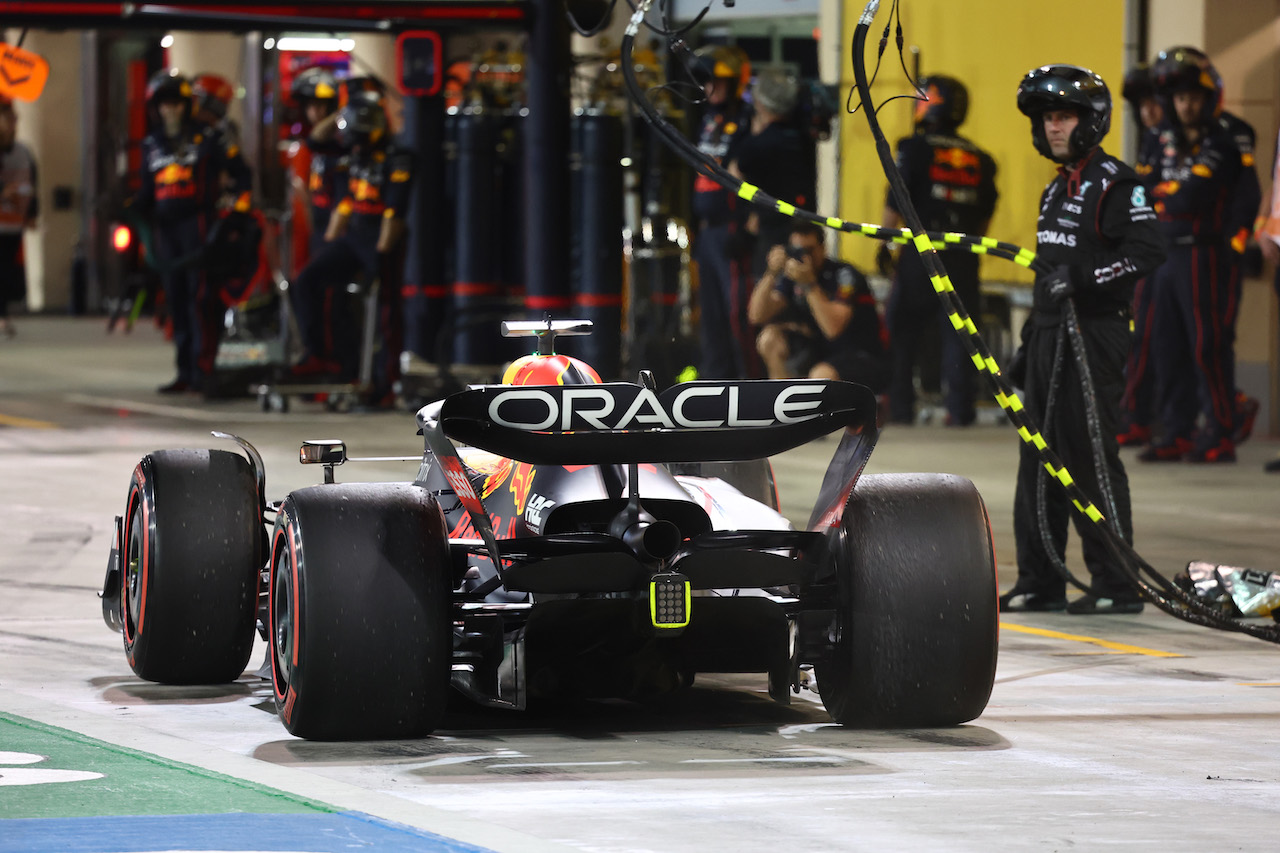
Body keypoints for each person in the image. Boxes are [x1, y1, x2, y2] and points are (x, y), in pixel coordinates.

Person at [1000, 65, 1166, 615]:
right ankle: (1039, 581)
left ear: (1090, 121)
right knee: (1038, 458)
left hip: (1095, 333)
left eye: (1064, 116)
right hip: (1049, 335)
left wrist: (1085, 280)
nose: (1053, 128)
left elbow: (1147, 253)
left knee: (1088, 455)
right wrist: (1027, 348)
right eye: (1048, 118)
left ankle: (1118, 584)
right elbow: (1047, 271)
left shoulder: (1118, 183)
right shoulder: (1055, 186)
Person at [1138, 47, 1260, 463]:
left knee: (1208, 346)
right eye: (1179, 97)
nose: (1185, 105)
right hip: (1163, 254)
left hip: (1207, 258)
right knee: (1164, 345)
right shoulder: (1158, 138)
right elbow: (1144, 191)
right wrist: (1168, 197)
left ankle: (1221, 431)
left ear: (1209, 97)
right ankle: (1178, 431)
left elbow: (1197, 195)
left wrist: (1168, 197)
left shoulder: (1229, 137)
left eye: (1192, 96)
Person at [880, 75, 998, 427]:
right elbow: (985, 215)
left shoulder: (913, 148)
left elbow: (896, 199)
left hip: (921, 253)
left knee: (902, 333)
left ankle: (900, 410)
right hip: (962, 255)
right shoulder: (982, 158)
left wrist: (887, 245)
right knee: (961, 338)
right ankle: (961, 411)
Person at [292, 91, 412, 405]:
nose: (352, 143)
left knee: (385, 313)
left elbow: (395, 212)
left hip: (381, 241)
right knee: (306, 282)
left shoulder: (397, 156)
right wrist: (345, 110)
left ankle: (385, 386)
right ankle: (318, 355)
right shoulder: (355, 151)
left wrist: (382, 256)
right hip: (351, 238)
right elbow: (315, 141)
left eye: (356, 136)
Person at [130, 69, 241, 394]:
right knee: (176, 301)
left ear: (186, 105)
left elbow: (240, 173)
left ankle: (204, 369)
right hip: (166, 232)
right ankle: (184, 370)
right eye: (165, 105)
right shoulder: (151, 145)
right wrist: (128, 208)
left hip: (199, 226)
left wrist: (236, 209)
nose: (171, 110)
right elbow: (147, 192)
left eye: (177, 104)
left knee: (200, 299)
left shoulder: (209, 138)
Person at [747, 220, 888, 389]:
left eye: (809, 250)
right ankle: (781, 402)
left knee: (821, 375)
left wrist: (810, 286)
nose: (805, 257)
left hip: (857, 352)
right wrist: (771, 273)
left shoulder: (844, 275)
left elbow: (833, 329)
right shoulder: (793, 276)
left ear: (822, 248)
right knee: (769, 338)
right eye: (797, 251)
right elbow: (756, 316)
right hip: (817, 349)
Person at [689, 44, 751, 380]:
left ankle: (747, 383)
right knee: (709, 315)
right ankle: (715, 383)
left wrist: (742, 227)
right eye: (705, 82)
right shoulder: (706, 120)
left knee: (735, 314)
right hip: (707, 231)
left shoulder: (745, 119)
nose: (708, 88)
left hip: (731, 230)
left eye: (715, 82)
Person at [1115, 64, 1164, 447]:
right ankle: (1137, 415)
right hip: (1150, 252)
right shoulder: (1150, 140)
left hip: (1177, 253)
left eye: (1154, 103)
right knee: (1143, 338)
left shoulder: (1179, 140)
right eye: (1142, 105)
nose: (1148, 112)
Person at [0, 96, 37, 339]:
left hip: (14, 223)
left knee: (6, 271)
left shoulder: (24, 152)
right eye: (8, 119)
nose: (13, 123)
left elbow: (34, 183)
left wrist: (33, 214)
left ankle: (3, 314)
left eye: (14, 119)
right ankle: (2, 316)